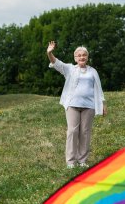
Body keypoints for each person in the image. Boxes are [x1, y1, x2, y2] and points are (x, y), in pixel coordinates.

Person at [47, 41, 107, 169]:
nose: (81, 57)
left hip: (89, 106)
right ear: (75, 58)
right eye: (79, 55)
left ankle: (82, 160)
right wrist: (49, 52)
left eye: (84, 55)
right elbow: (56, 63)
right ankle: (70, 161)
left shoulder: (93, 71)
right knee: (72, 131)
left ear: (87, 57)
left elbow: (99, 89)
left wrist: (102, 104)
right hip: (73, 104)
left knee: (85, 132)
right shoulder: (70, 69)